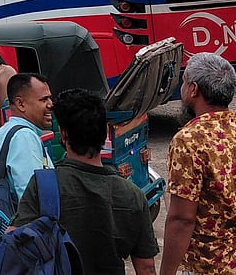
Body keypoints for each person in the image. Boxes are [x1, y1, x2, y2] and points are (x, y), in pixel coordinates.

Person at [160, 52, 236, 275]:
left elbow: (182, 219)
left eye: (185, 81)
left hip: (213, 266)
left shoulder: (189, 140)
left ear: (193, 89)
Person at [12, 89, 158, 275]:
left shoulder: (43, 185)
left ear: (63, 135)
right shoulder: (132, 194)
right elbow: (146, 267)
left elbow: (14, 243)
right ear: (105, 134)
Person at [0, 73, 54, 203]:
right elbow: (30, 198)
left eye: (50, 98)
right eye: (44, 100)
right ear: (20, 104)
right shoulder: (24, 137)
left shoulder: (2, 133)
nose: (51, 105)